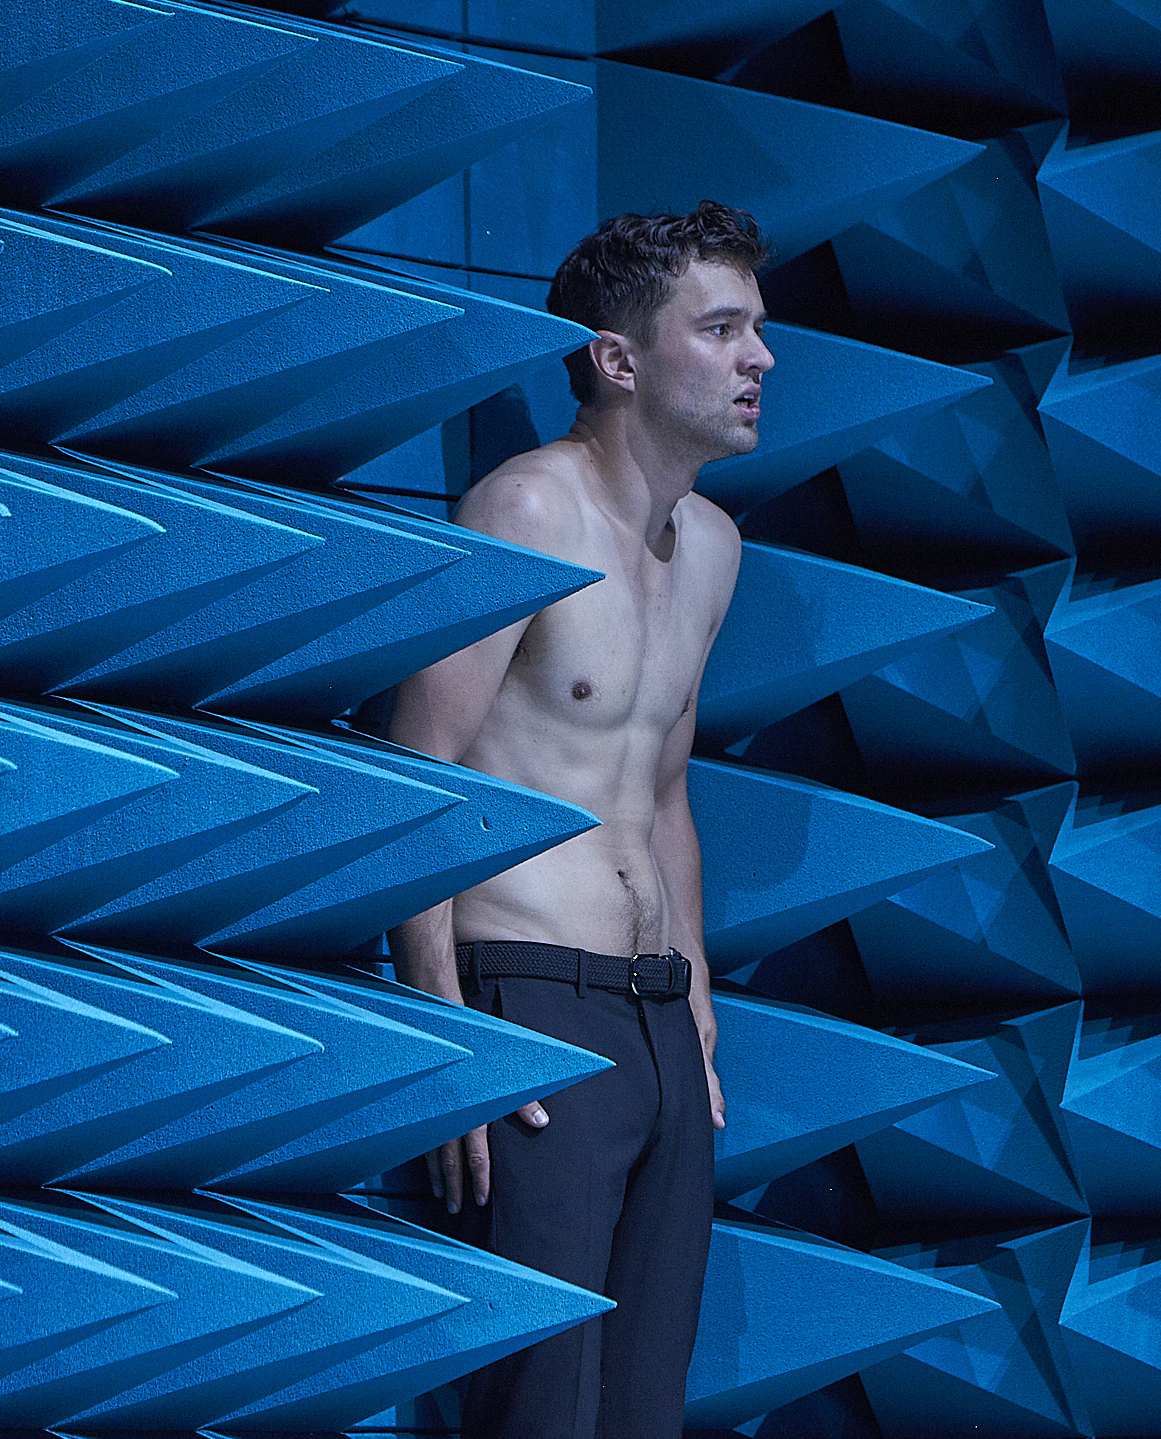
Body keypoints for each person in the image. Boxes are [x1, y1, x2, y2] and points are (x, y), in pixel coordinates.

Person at [385, 201, 774, 1439]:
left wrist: (695, 1004)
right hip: (529, 1005)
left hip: (656, 1016)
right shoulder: (526, 514)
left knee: (641, 1408)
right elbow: (421, 781)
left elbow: (663, 789)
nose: (760, 359)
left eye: (756, 329)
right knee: (538, 1408)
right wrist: (450, 1039)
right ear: (617, 358)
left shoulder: (711, 546)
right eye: (721, 329)